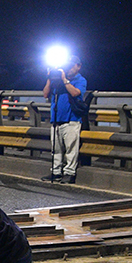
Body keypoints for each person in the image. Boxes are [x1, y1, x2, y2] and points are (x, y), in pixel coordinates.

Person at [42, 56, 86, 184]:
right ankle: (56, 172)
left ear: (78, 66)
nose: (70, 68)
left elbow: (75, 93)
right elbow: (45, 94)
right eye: (68, 66)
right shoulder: (57, 81)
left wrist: (65, 80)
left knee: (71, 149)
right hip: (56, 119)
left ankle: (69, 173)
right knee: (56, 148)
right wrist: (50, 79)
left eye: (72, 66)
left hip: (72, 119)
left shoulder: (80, 80)